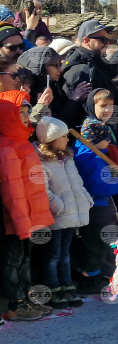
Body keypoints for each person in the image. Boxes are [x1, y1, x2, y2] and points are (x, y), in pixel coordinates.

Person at [0, 90, 54, 321]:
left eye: (26, 111)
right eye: (20, 112)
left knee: (24, 259)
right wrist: (22, 223)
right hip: (16, 219)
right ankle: (15, 304)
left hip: (29, 216)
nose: (25, 116)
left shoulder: (21, 141)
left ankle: (27, 299)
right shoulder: (7, 147)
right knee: (13, 260)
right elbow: (12, 191)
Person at [33, 117, 93, 308]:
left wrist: (86, 199)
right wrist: (58, 206)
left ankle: (67, 286)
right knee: (52, 254)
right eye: (64, 136)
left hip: (70, 213)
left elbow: (77, 183)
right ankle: (53, 289)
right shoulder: (40, 160)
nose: (68, 139)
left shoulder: (67, 158)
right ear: (52, 139)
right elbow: (42, 189)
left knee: (65, 252)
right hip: (56, 215)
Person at [72, 118, 118, 293]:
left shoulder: (84, 153)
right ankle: (90, 281)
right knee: (97, 246)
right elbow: (99, 188)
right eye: (106, 138)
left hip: (92, 207)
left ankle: (92, 277)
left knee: (93, 244)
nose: (109, 142)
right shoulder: (93, 160)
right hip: (99, 208)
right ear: (97, 140)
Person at [17, 46, 92, 129]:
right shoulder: (30, 94)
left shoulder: (54, 86)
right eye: (55, 65)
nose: (60, 70)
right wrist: (74, 99)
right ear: (40, 67)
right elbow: (56, 124)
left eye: (60, 65)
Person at [61, 20, 117, 100]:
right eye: (103, 39)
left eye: (108, 40)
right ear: (86, 41)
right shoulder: (81, 70)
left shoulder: (96, 63)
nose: (107, 44)